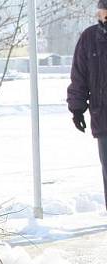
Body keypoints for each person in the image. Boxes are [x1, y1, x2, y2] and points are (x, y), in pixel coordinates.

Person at [67, 0, 107, 209]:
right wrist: (76, 108)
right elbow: (79, 76)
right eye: (103, 11)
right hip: (104, 118)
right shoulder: (90, 38)